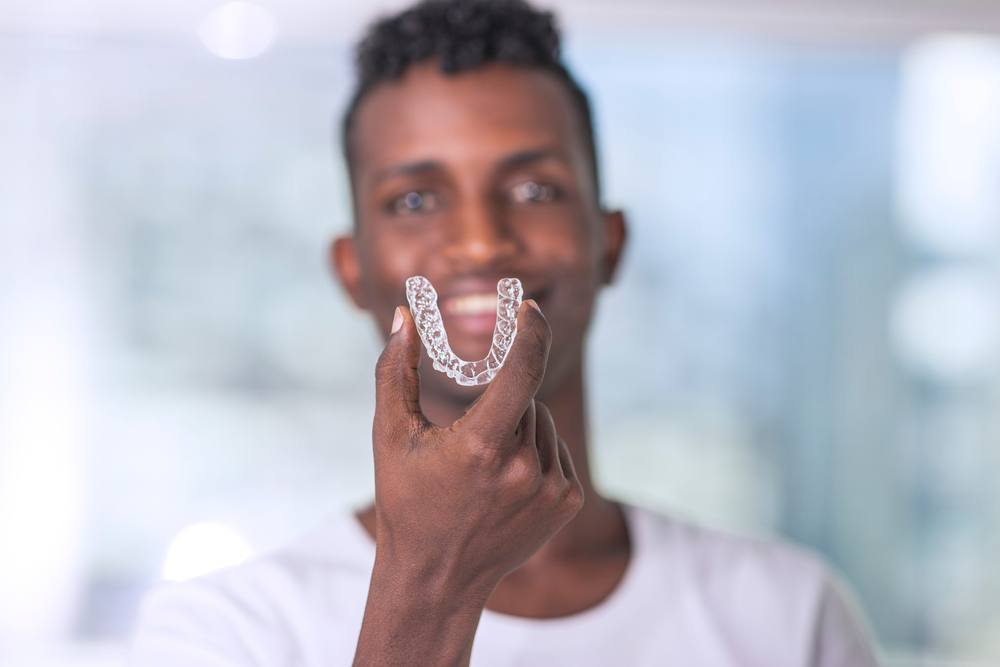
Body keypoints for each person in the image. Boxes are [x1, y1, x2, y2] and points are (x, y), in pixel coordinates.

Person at [129, 0, 880, 665]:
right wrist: (429, 581)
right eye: (416, 198)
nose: (482, 242)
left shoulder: (787, 614)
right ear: (352, 269)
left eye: (534, 189)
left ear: (608, 241)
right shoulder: (226, 631)